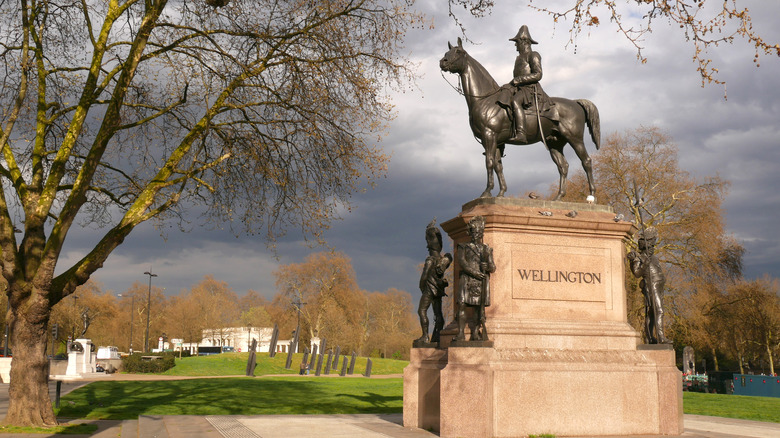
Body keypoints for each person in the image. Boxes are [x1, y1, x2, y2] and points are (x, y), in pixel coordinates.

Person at [498, 25, 555, 143]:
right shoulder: (519, 58)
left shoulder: (533, 55)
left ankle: (521, 133)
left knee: (515, 101)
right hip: (518, 88)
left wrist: (518, 80)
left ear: (524, 42)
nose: (515, 45)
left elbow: (538, 74)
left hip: (529, 89)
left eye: (517, 42)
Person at [628, 227, 672, 344]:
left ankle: (649, 337)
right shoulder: (639, 258)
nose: (652, 248)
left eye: (653, 246)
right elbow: (637, 273)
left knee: (653, 313)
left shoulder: (654, 257)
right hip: (651, 286)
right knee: (659, 311)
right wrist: (644, 264)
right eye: (651, 246)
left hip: (659, 286)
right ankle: (661, 337)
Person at [456, 216, 495, 342]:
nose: (475, 235)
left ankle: (475, 332)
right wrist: (474, 273)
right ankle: (460, 333)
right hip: (467, 279)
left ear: (481, 233)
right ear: (469, 233)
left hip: (480, 281)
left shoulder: (486, 249)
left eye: (478, 233)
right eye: (473, 232)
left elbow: (493, 267)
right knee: (461, 304)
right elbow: (462, 262)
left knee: (479, 307)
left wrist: (487, 266)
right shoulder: (463, 246)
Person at [415, 220, 453, 344]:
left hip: (429, 289)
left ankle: (425, 336)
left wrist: (422, 287)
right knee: (438, 313)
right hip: (438, 290)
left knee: (421, 311)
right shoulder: (442, 260)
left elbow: (424, 277)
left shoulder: (430, 260)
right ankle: (437, 336)